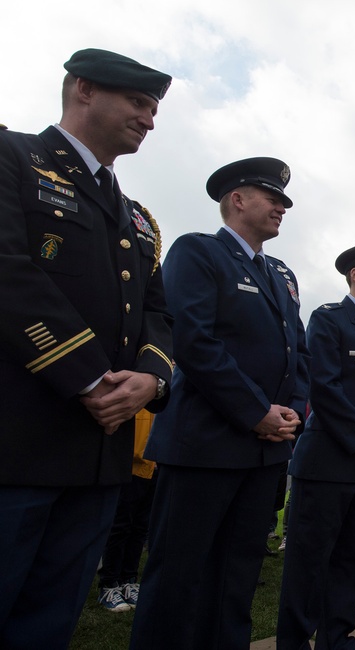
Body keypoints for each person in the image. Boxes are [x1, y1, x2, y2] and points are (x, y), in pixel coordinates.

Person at [0, 48, 173, 649]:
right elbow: (9, 273)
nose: (150, 119)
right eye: (138, 102)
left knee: (49, 622)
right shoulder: (13, 157)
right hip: (17, 444)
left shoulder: (140, 220)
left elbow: (158, 313)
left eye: (154, 110)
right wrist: (92, 378)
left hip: (99, 457)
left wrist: (152, 380)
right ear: (82, 90)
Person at [132, 157, 308, 649]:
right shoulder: (198, 252)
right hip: (205, 446)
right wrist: (257, 412)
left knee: (237, 578)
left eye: (284, 202)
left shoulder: (277, 274)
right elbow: (193, 341)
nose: (281, 208)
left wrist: (293, 406)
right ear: (237, 200)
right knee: (178, 577)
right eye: (272, 198)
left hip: (264, 451)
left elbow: (298, 349)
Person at [276, 241, 355, 650]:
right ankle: (294, 642)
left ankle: (337, 638)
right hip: (328, 463)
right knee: (308, 563)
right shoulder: (328, 319)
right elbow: (324, 387)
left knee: (350, 560)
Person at [96, 408, 158, 612]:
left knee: (140, 525)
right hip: (129, 463)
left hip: (153, 463)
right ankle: (109, 583)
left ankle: (129, 580)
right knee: (121, 525)